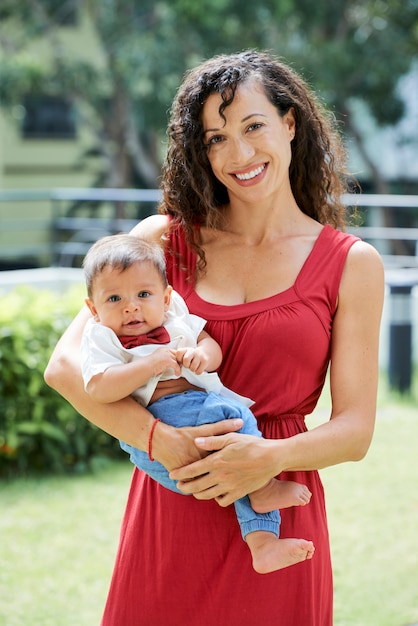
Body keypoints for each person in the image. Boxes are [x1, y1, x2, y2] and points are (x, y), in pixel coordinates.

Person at [44, 50, 384, 626]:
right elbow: (66, 369)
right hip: (174, 504)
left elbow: (355, 432)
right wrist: (159, 441)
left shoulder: (351, 264)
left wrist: (265, 457)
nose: (240, 154)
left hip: (275, 510)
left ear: (290, 123)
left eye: (253, 127)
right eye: (216, 139)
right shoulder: (160, 242)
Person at [80, 233, 314, 574]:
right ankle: (263, 486)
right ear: (93, 309)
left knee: (234, 453)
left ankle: (262, 543)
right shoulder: (100, 336)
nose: (131, 306)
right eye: (114, 298)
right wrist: (149, 364)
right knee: (234, 418)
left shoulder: (176, 319)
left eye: (143, 294)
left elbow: (210, 346)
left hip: (193, 414)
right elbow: (99, 387)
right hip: (161, 418)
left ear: (166, 297)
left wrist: (200, 355)